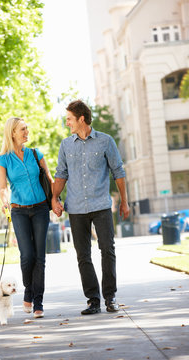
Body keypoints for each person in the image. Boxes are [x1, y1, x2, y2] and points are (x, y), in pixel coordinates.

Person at [52, 100, 130, 315]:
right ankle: (93, 300)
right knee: (83, 255)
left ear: (81, 119)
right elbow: (61, 173)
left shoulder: (105, 141)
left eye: (69, 119)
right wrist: (54, 198)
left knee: (107, 249)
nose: (67, 123)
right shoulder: (66, 145)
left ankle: (110, 297)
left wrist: (124, 201)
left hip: (101, 205)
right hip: (76, 208)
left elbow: (118, 172)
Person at [0, 117, 53, 318]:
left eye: (27, 128)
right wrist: (4, 200)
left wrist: (56, 200)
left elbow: (49, 178)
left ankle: (38, 302)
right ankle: (28, 290)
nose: (26, 132)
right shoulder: (3, 159)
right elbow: (2, 187)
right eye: (22, 129)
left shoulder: (36, 154)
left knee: (40, 257)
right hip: (18, 210)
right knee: (27, 255)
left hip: (40, 209)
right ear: (12, 133)